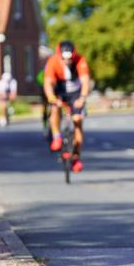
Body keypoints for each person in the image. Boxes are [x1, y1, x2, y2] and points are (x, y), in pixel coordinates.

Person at [43, 41, 91, 173]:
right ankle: (57, 136)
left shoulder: (81, 61)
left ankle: (76, 157)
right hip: (60, 91)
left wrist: (82, 98)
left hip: (76, 94)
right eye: (64, 58)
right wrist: (52, 98)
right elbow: (48, 83)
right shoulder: (52, 62)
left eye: (70, 58)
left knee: (77, 121)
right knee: (54, 108)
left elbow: (85, 81)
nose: (67, 61)